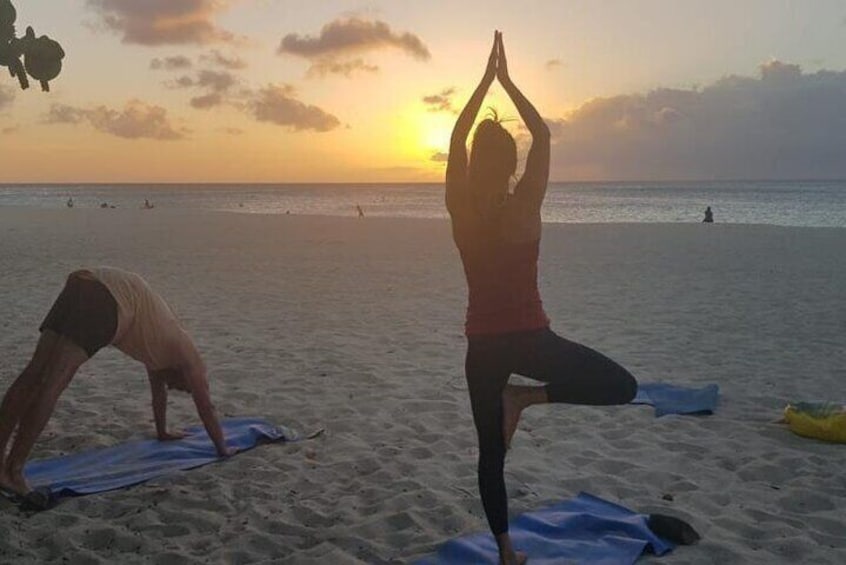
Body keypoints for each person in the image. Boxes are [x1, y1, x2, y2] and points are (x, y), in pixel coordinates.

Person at [446, 32, 638, 565]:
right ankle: (528, 398)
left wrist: (484, 83)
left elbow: (458, 136)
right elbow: (544, 136)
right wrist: (506, 82)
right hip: (531, 340)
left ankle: (506, 551)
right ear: (510, 163)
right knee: (623, 386)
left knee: (490, 453)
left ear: (471, 163)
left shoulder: (459, 207)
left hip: (482, 347)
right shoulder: (525, 201)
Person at [0, 267, 234, 498]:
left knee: (34, 374)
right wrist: (222, 448)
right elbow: (206, 407)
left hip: (84, 281)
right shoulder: (190, 357)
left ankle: (3, 463)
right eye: (184, 388)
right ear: (187, 377)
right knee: (53, 383)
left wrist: (162, 432)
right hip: (108, 300)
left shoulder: (159, 353)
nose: (177, 389)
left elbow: (158, 395)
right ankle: (15, 471)